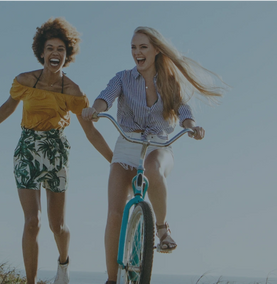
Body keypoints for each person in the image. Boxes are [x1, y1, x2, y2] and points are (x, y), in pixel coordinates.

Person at [0, 17, 113, 284]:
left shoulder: (73, 91)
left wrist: (114, 161)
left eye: (60, 49)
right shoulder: (25, 81)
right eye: (50, 48)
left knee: (57, 225)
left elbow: (90, 131)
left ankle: (63, 264)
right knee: (32, 220)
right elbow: (9, 107)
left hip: (56, 152)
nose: (55, 53)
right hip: (27, 150)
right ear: (41, 53)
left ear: (66, 55)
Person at [82, 26, 226, 284]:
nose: (137, 53)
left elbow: (183, 109)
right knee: (114, 214)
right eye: (133, 48)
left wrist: (191, 126)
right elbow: (106, 97)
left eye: (143, 47)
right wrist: (94, 108)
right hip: (127, 143)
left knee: (152, 169)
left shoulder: (169, 81)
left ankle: (161, 228)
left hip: (159, 145)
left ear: (156, 50)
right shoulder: (123, 78)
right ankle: (112, 280)